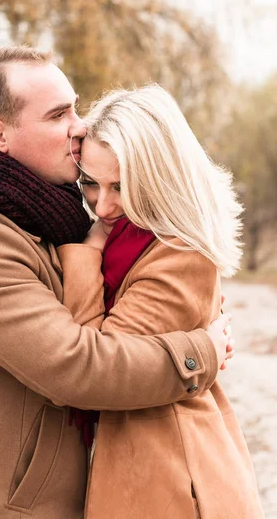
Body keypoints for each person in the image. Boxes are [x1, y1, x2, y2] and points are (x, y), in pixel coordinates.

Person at [0, 46, 233, 519]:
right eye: (59, 114)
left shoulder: (35, 216)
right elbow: (80, 367)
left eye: (76, 107)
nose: (80, 126)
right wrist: (200, 351)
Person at [57, 85, 264, 518]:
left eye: (122, 186)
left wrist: (85, 253)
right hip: (146, 464)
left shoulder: (179, 252)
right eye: (91, 183)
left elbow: (96, 365)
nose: (105, 205)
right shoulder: (131, 237)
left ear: (159, 178)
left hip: (172, 480)